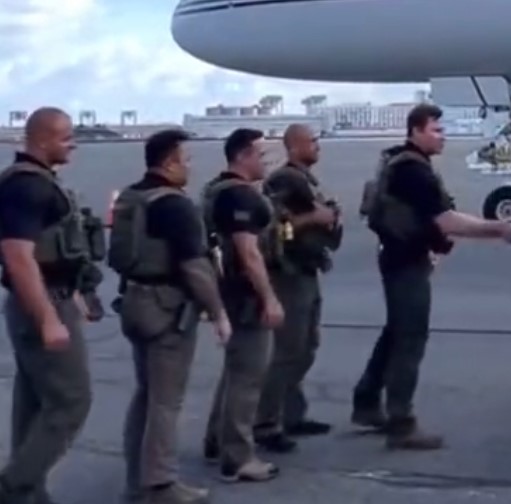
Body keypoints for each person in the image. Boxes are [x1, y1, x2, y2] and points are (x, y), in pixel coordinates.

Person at [353, 103, 511, 450]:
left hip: (396, 256)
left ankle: (367, 404)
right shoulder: (415, 171)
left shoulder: (398, 160)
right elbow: (447, 221)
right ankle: (401, 423)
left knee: (395, 332)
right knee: (409, 339)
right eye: (436, 130)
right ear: (415, 131)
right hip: (405, 262)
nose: (442, 137)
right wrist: (499, 229)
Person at [108, 128, 231, 504]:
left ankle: (137, 480)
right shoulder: (174, 204)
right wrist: (218, 312)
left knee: (146, 395)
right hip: (166, 306)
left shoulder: (132, 197)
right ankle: (160, 484)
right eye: (186, 160)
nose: (189, 168)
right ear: (169, 163)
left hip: (134, 300)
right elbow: (195, 266)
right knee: (166, 401)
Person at [0, 107, 92, 504]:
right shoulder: (27, 187)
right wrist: (49, 318)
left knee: (36, 400)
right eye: (65, 136)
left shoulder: (34, 183)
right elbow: (18, 256)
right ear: (40, 140)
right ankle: (14, 485)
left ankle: (27, 492)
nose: (72, 143)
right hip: (40, 305)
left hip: (46, 299)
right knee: (72, 400)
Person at [201, 128, 285, 482]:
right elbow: (249, 253)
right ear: (242, 156)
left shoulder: (215, 190)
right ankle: (238, 457)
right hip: (245, 294)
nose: (266, 161)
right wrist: (269, 298)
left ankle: (216, 441)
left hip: (226, 289)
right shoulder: (240, 197)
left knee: (235, 370)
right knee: (249, 376)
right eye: (261, 154)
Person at [254, 124, 340, 453]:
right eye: (312, 141)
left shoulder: (303, 181)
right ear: (293, 147)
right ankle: (266, 422)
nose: (318, 146)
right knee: (288, 350)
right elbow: (274, 229)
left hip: (306, 270)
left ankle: (290, 413)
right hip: (287, 274)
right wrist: (316, 219)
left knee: (307, 346)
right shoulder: (284, 181)